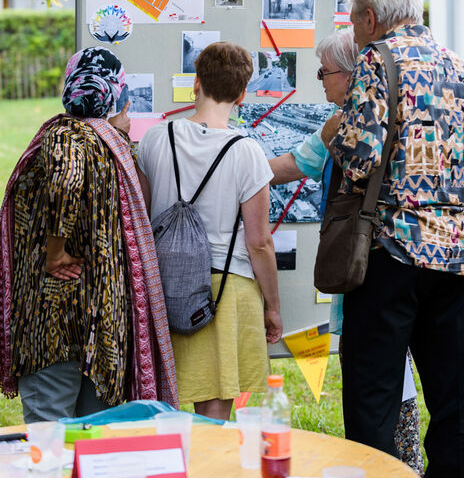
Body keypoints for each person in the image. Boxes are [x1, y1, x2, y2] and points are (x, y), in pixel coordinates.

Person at [323, 0, 464, 478]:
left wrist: (333, 134)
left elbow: (359, 159)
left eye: (354, 21)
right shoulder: (457, 64)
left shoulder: (376, 59)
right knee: (453, 396)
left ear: (369, 17)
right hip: (454, 253)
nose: (354, 30)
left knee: (373, 395)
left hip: (391, 250)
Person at [270, 27, 423, 476]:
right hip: (407, 262)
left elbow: (296, 164)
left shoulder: (346, 122)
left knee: (378, 374)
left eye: (326, 71)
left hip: (373, 261)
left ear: (354, 73)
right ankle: (402, 459)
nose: (320, 79)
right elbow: (298, 161)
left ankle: (388, 460)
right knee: (397, 367)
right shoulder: (373, 111)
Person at [0, 47, 178, 421]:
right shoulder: (112, 146)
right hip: (106, 317)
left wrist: (54, 252)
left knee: (49, 431)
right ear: (116, 94)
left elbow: (65, 181)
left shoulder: (66, 134)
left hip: (54, 314)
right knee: (95, 435)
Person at [138, 41, 282, 420]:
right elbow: (259, 243)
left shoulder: (156, 138)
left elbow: (143, 215)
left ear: (196, 83)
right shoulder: (246, 150)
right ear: (242, 94)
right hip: (223, 288)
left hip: (163, 284)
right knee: (214, 405)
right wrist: (274, 306)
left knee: (161, 393)